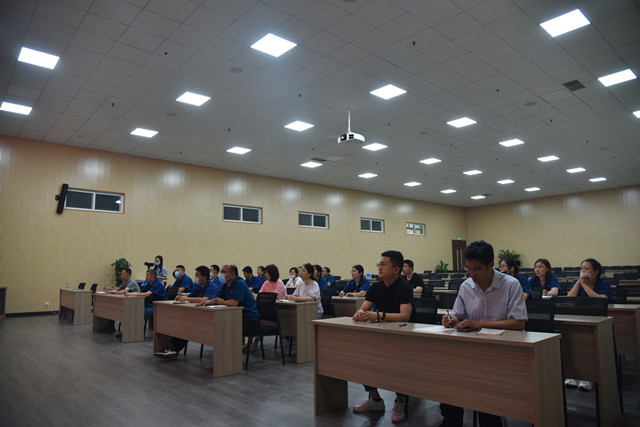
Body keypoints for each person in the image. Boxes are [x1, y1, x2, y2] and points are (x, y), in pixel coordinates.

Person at [440, 240, 527, 427]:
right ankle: (452, 420)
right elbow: (457, 314)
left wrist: (478, 324)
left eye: (477, 269)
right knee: (447, 373)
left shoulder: (511, 285)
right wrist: (451, 319)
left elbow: (518, 323)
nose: (472, 274)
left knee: (484, 383)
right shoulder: (466, 286)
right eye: (468, 269)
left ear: (491, 265)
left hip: (504, 350)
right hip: (473, 348)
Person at [351, 250, 413, 424]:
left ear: (396, 269)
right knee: (363, 357)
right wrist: (359, 313)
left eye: (384, 265)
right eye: (379, 264)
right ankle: (375, 399)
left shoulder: (404, 287)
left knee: (400, 365)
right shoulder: (376, 287)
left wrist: (378, 315)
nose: (379, 268)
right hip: (380, 334)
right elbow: (364, 308)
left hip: (403, 336)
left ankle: (400, 401)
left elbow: (405, 316)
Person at [564, 258, 613, 391]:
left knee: (589, 346)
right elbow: (569, 299)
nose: (583, 271)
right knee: (573, 345)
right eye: (581, 269)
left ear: (596, 272)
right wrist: (579, 283)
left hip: (599, 321)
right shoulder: (578, 283)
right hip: (580, 318)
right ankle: (574, 375)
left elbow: (601, 300)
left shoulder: (604, 284)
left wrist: (584, 285)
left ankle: (589, 377)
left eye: (587, 269)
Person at [154, 266, 221, 358]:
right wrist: (181, 298)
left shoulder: (212, 286)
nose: (195, 277)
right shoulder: (199, 287)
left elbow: (204, 299)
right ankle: (171, 348)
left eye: (197, 275)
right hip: (199, 315)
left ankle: (172, 349)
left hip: (211, 318)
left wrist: (186, 298)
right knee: (183, 324)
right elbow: (190, 296)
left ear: (204, 277)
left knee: (187, 326)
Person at [199, 264, 260, 342]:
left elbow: (233, 303)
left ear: (232, 274)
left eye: (223, 272)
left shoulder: (239, 283)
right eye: (221, 272)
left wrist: (222, 302)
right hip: (234, 316)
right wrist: (209, 302)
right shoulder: (226, 284)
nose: (221, 274)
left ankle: (231, 348)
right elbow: (218, 299)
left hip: (248, 318)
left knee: (222, 326)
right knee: (214, 324)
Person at [101, 268, 140, 334]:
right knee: (111, 307)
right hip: (128, 302)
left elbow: (124, 291)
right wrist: (109, 291)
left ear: (128, 275)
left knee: (115, 308)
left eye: (122, 274)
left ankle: (126, 332)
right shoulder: (125, 282)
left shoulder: (132, 282)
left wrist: (112, 292)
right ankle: (110, 326)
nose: (121, 276)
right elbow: (118, 289)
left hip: (135, 304)